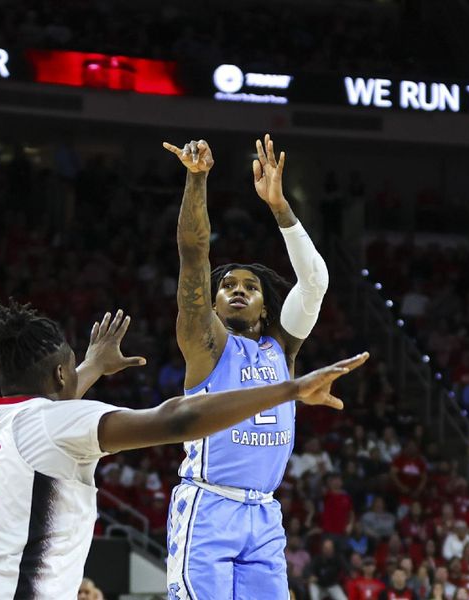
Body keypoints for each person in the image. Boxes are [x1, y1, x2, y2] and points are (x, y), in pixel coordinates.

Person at [0, 300, 367, 599]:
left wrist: (91, 364)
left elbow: (45, 420)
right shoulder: (51, 424)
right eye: (71, 370)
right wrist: (290, 388)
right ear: (59, 376)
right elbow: (179, 418)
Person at [161, 135, 330, 599]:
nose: (238, 289)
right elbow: (194, 255)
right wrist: (197, 181)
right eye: (228, 285)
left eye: (251, 286)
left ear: (263, 308)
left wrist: (280, 207)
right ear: (211, 304)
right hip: (209, 505)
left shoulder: (283, 349)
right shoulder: (206, 346)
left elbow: (314, 282)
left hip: (264, 514)